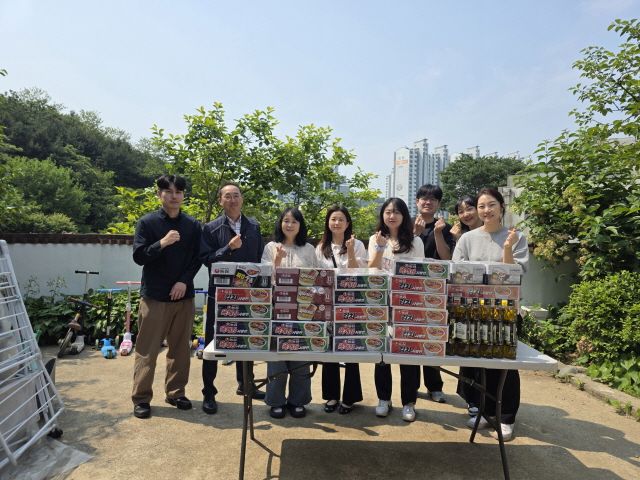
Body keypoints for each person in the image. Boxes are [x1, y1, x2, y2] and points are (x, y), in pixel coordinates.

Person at [452, 187, 529, 442]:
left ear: (502, 207)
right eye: (482, 206)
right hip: (473, 310)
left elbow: (515, 275)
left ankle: (506, 418)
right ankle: (485, 412)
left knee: (504, 365)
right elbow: (456, 272)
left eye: (492, 204)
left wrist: (507, 248)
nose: (487, 210)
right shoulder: (467, 238)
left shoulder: (516, 237)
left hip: (506, 311)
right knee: (478, 363)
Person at [131, 174, 202, 419]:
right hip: (155, 296)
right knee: (147, 350)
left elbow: (197, 258)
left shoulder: (192, 224)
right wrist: (161, 243)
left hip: (183, 296)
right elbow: (139, 256)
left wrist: (184, 281)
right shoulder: (147, 222)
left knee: (181, 349)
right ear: (159, 194)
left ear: (183, 195)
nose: (174, 196)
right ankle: (141, 399)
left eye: (178, 192)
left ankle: (176, 393)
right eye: (169, 191)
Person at [199, 182, 266, 415]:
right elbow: (206, 259)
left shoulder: (253, 226)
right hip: (219, 294)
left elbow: (259, 258)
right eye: (227, 196)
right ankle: (208, 392)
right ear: (220, 201)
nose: (233, 200)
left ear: (242, 199)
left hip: (247, 294)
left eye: (236, 195)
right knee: (212, 342)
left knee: (246, 337)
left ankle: (246, 384)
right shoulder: (211, 228)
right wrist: (227, 248)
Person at [368, 198, 424, 422]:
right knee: (381, 352)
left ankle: (409, 402)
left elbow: (419, 274)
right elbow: (372, 271)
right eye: (388, 212)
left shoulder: (415, 241)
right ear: (382, 215)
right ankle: (384, 399)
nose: (392, 216)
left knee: (408, 352)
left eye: (397, 212)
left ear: (404, 216)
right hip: (381, 302)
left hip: (407, 303)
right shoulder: (374, 239)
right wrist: (381, 248)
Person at [262, 207, 316, 419]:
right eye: (286, 220)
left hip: (303, 308)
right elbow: (264, 278)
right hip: (277, 307)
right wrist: (277, 259)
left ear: (300, 225)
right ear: (280, 223)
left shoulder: (309, 249)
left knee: (300, 353)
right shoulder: (270, 247)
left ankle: (298, 400)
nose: (290, 225)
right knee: (277, 355)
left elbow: (316, 278)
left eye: (294, 221)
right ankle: (275, 400)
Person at [315, 206, 367, 414]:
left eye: (341, 219)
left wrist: (351, 250)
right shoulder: (321, 247)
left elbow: (358, 273)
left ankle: (350, 397)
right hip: (327, 303)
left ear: (348, 223)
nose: (336, 223)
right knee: (329, 350)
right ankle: (332, 396)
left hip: (350, 302)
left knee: (350, 347)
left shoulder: (358, 245)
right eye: (333, 219)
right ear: (328, 222)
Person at [413, 184, 456, 404]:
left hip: (435, 290)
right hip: (410, 288)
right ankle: (410, 387)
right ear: (417, 202)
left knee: (432, 335)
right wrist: (415, 233)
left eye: (433, 199)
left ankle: (434, 386)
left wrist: (438, 233)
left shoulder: (444, 228)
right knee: (411, 336)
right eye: (424, 198)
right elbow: (402, 254)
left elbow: (446, 258)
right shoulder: (407, 224)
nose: (428, 202)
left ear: (438, 204)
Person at [450, 194, 484, 417]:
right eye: (461, 211)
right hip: (466, 301)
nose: (466, 214)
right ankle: (472, 400)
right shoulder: (464, 238)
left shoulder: (503, 235)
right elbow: (457, 268)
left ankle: (491, 404)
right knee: (468, 352)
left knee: (488, 353)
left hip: (492, 303)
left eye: (470, 208)